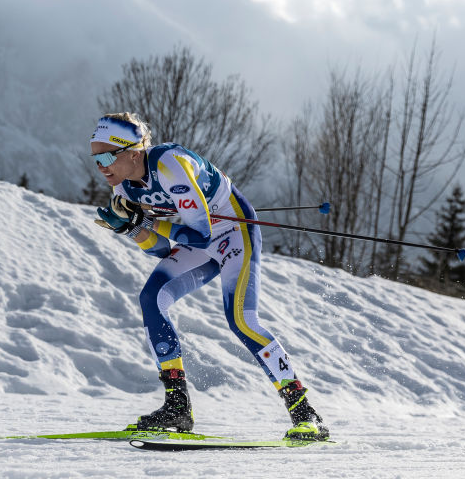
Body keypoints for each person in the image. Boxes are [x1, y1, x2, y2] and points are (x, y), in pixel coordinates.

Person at [89, 112, 330, 441]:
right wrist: (132, 230)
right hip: (196, 239)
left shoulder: (170, 164)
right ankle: (177, 408)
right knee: (151, 298)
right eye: (95, 158)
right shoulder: (124, 189)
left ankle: (305, 412)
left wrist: (146, 223)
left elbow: (201, 234)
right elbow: (160, 250)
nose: (101, 165)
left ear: (132, 151)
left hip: (233, 232)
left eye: (106, 156)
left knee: (241, 320)